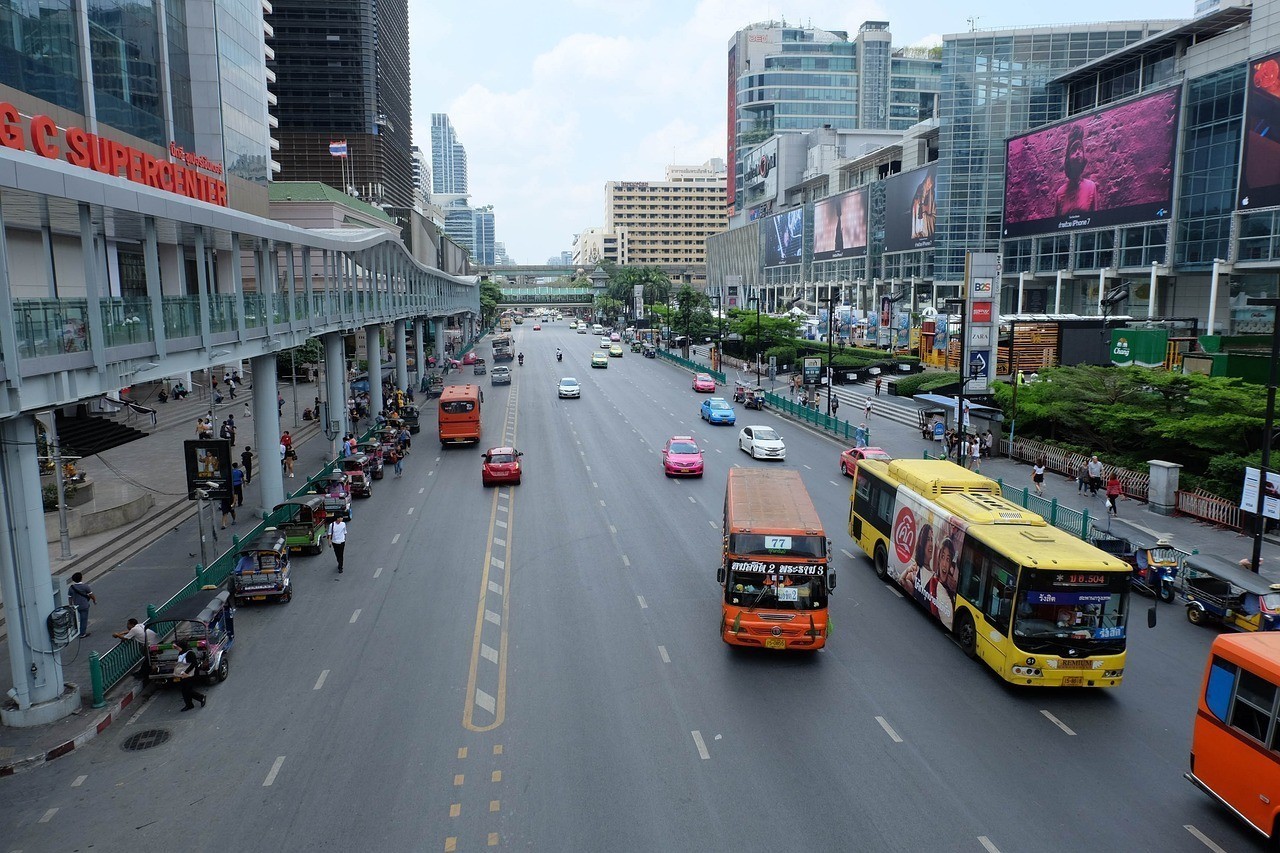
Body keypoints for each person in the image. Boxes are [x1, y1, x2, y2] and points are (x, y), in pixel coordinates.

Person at [1054, 124, 1100, 217]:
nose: (1078, 152)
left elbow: (1095, 220)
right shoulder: (1060, 193)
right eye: (1073, 150)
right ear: (1068, 160)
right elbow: (1055, 225)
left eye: (1080, 149)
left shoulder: (1091, 187)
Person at [174, 640, 206, 711]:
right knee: (183, 690)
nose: (175, 648)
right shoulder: (181, 653)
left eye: (177, 646)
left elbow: (193, 664)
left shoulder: (190, 653)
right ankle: (189, 705)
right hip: (182, 674)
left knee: (188, 690)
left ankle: (201, 697)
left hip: (191, 674)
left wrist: (186, 672)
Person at [68, 571, 96, 637]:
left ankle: (79, 630)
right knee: (84, 619)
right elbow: (91, 595)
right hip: (84, 605)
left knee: (80, 617)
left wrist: (71, 605)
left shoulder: (71, 588)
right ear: (81, 578)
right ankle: (82, 633)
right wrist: (94, 600)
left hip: (76, 606)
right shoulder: (85, 587)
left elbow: (70, 598)